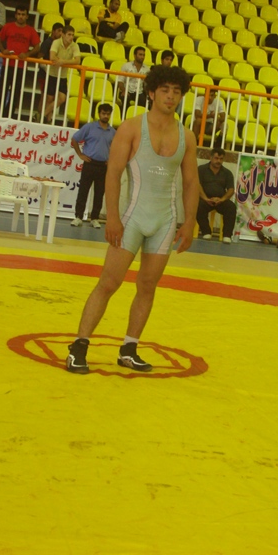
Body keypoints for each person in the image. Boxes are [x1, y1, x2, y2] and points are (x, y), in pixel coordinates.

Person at [66, 65, 199, 374]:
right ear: (151, 93)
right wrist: (112, 217)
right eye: (164, 90)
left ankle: (129, 348)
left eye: (176, 91)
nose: (170, 96)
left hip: (164, 222)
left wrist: (189, 222)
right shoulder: (131, 128)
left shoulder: (187, 136)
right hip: (132, 219)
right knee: (109, 282)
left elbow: (191, 182)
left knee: (148, 286)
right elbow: (113, 173)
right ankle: (79, 346)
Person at [70, 103, 116, 230]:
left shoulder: (113, 132)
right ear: (99, 114)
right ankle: (78, 217)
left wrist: (111, 160)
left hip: (103, 166)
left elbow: (117, 148)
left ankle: (94, 218)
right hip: (90, 163)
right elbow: (74, 139)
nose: (105, 116)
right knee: (83, 190)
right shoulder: (89, 127)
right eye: (103, 113)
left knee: (99, 193)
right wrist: (80, 155)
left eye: (108, 114)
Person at [0, 5, 40, 118]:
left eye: (23, 14)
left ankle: (8, 116)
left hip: (21, 67)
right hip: (7, 64)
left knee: (16, 93)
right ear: (15, 15)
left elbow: (37, 47)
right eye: (19, 14)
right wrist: (3, 50)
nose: (21, 16)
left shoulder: (31, 30)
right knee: (2, 92)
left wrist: (27, 54)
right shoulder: (8, 27)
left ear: (27, 16)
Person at [196, 147, 236, 245]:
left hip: (220, 200)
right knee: (197, 205)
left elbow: (231, 189)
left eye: (221, 159)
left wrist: (222, 199)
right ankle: (206, 232)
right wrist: (206, 198)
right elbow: (197, 185)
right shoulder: (201, 169)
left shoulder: (227, 173)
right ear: (211, 158)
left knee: (231, 207)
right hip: (205, 199)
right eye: (216, 158)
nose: (218, 161)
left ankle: (227, 235)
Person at [42, 24, 80, 123]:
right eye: (69, 34)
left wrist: (63, 62)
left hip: (62, 76)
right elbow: (52, 57)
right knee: (50, 98)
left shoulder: (74, 45)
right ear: (63, 35)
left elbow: (77, 60)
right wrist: (64, 61)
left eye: (72, 35)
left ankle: (42, 114)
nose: (71, 37)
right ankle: (47, 119)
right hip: (52, 74)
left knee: (62, 98)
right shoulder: (56, 42)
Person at [35, 21, 63, 121]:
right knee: (44, 96)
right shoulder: (47, 42)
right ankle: (38, 116)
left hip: (53, 74)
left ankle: (47, 118)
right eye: (59, 31)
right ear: (53, 31)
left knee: (52, 97)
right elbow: (40, 57)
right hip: (44, 74)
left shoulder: (59, 44)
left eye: (62, 31)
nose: (60, 33)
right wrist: (46, 68)